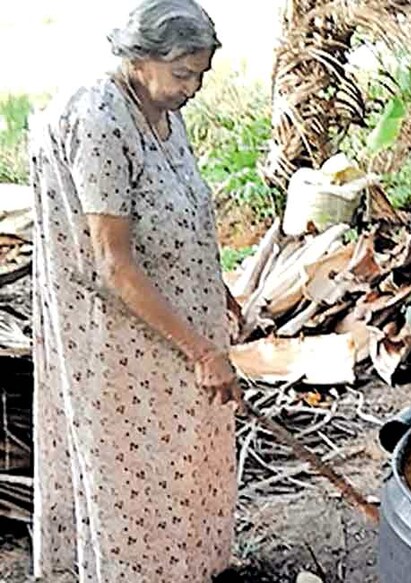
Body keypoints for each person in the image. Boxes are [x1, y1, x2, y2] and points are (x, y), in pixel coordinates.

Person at [28, 0, 244, 580]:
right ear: (140, 58)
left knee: (187, 457)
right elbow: (113, 264)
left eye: (201, 74)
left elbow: (176, 209)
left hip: (175, 318)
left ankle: (191, 569)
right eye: (183, 74)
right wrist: (202, 350)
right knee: (139, 470)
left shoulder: (163, 108)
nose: (193, 88)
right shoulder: (100, 120)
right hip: (124, 336)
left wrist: (212, 283)